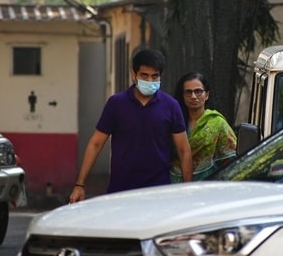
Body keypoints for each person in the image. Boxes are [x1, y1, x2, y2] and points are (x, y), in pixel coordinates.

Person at [69, 49, 192, 202]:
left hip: (159, 190)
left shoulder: (171, 106)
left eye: (155, 76)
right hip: (121, 189)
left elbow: (183, 150)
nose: (150, 81)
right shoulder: (116, 104)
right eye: (144, 76)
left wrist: (188, 190)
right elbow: (96, 143)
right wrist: (80, 185)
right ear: (134, 75)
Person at [170, 72, 237, 182]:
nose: (193, 96)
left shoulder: (217, 123)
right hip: (173, 183)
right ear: (182, 96)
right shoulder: (175, 121)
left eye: (198, 91)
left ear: (207, 95)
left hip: (207, 185)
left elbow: (231, 159)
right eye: (188, 92)